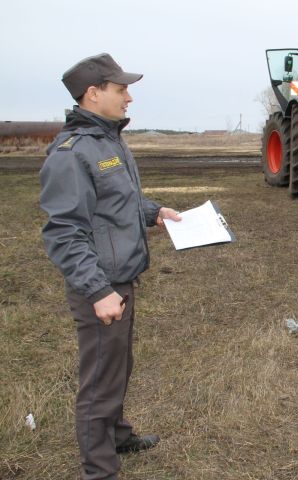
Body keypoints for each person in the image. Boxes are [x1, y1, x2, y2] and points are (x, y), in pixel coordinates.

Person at [39, 53, 181, 480]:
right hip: (100, 284)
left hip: (120, 277)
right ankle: (100, 470)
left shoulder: (108, 140)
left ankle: (117, 435)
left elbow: (118, 202)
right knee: (100, 378)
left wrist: (154, 212)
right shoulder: (72, 152)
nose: (129, 98)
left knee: (118, 364)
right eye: (121, 90)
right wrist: (98, 291)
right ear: (93, 93)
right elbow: (63, 232)